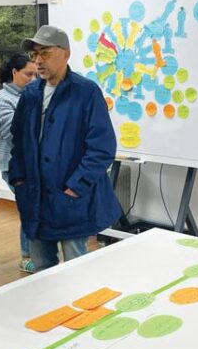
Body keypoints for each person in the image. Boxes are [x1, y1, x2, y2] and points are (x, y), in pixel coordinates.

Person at [8, 25, 120, 272]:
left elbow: (102, 147)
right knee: (41, 270)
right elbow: (17, 142)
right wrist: (18, 180)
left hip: (70, 200)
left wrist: (75, 187)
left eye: (45, 53)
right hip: (35, 197)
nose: (38, 61)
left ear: (66, 54)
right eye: (34, 55)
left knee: (75, 270)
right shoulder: (30, 94)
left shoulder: (86, 92)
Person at [0, 53, 38, 273]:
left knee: (35, 208)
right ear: (14, 73)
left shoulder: (33, 94)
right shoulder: (2, 99)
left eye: (36, 75)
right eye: (28, 74)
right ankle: (27, 256)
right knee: (29, 208)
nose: (33, 79)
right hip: (13, 165)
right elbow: (11, 132)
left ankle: (37, 252)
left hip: (35, 165)